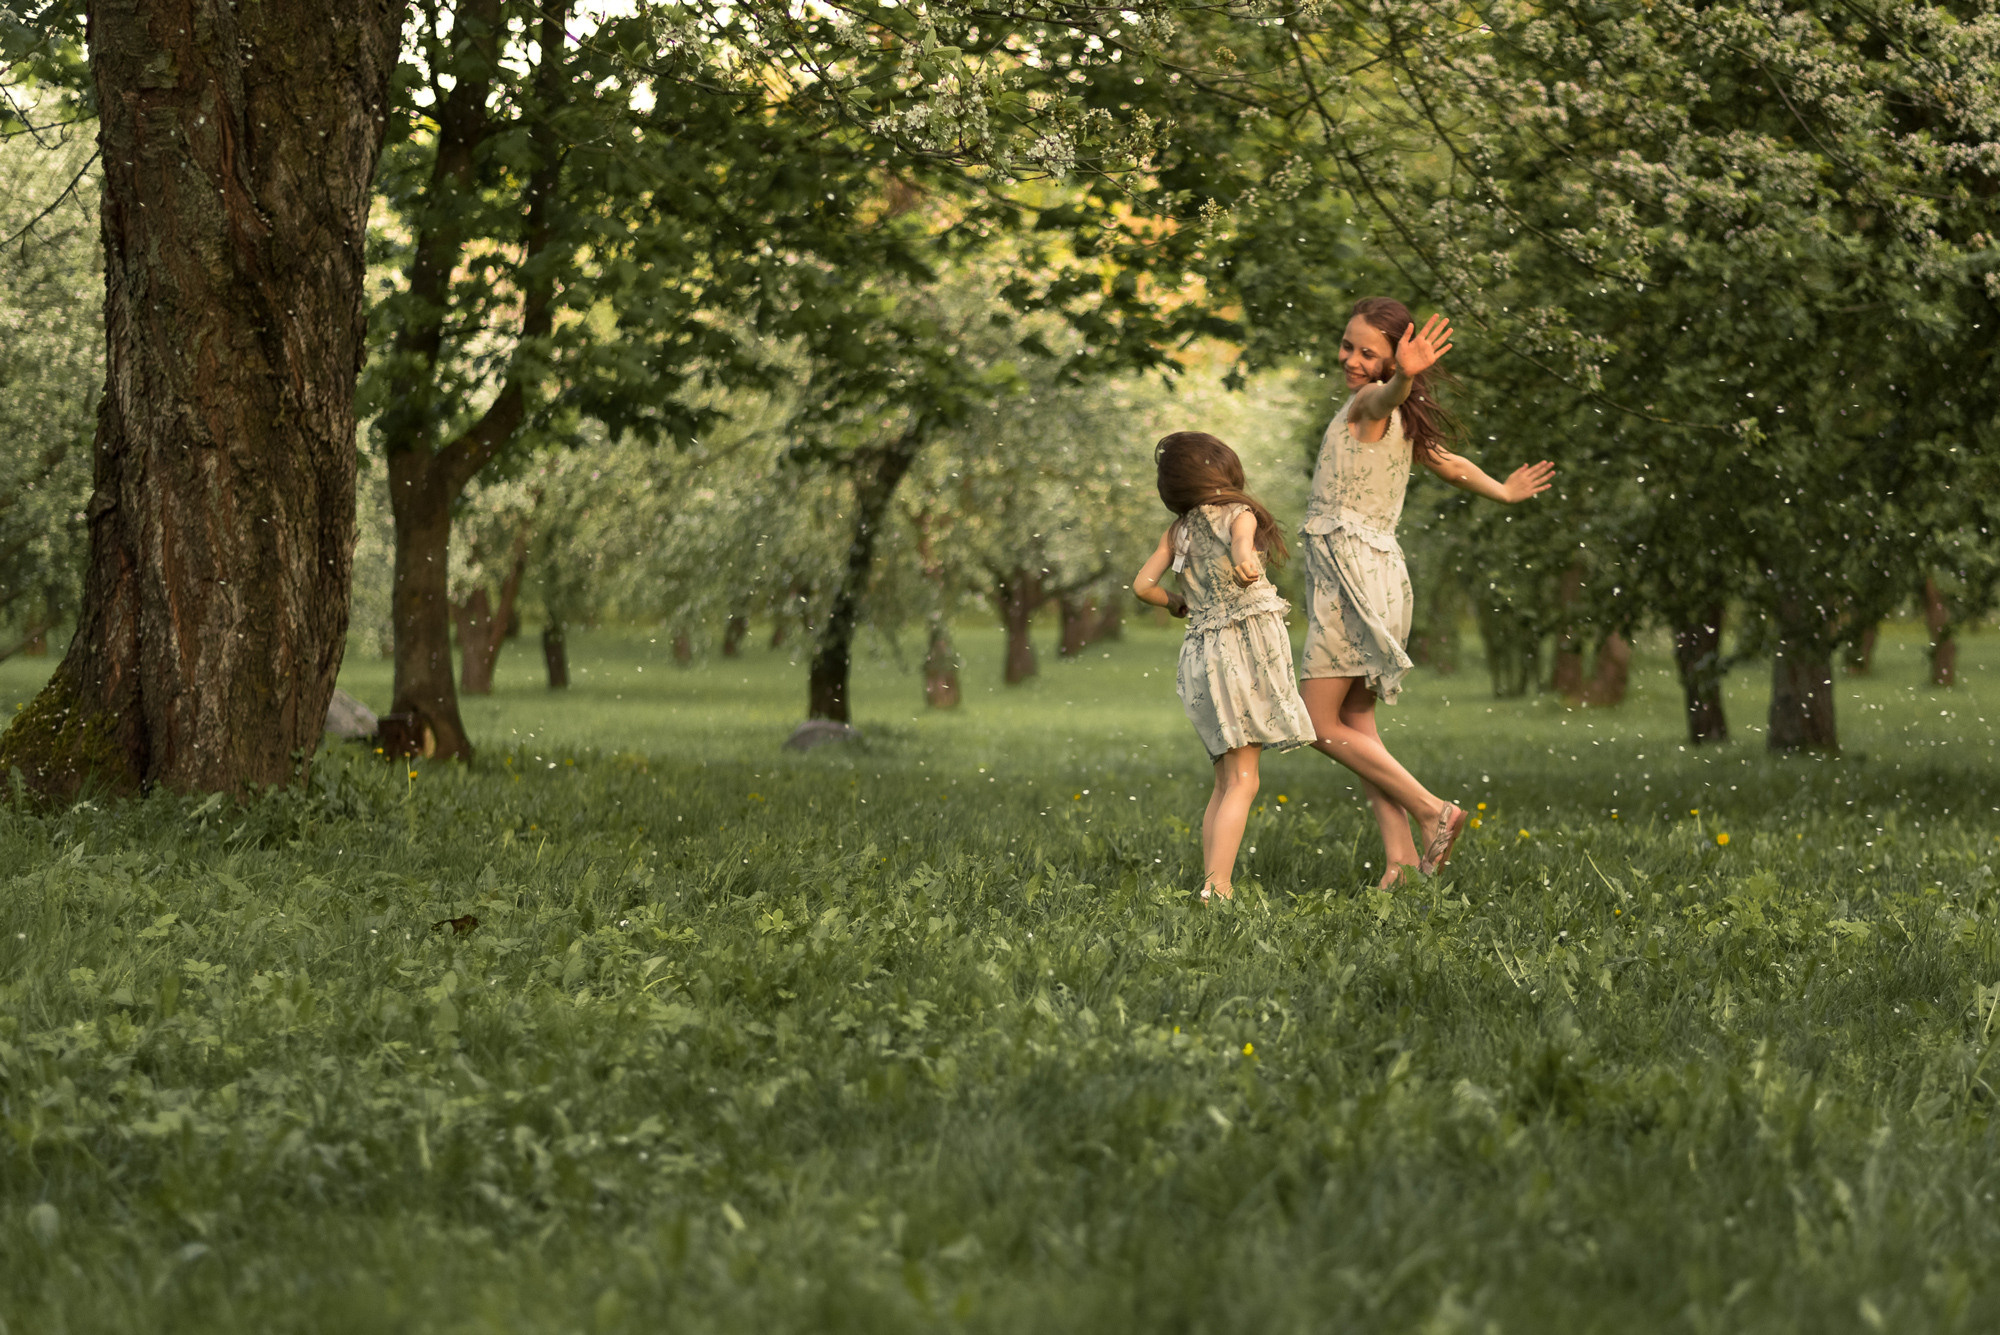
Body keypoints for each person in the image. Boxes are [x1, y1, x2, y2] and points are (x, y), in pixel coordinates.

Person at [1300, 297, 1554, 886]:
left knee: (1315, 722)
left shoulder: (1373, 403)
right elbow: (1450, 462)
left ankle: (1432, 810)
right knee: (1355, 720)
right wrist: (1504, 491)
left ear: (1393, 363)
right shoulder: (1402, 418)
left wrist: (1402, 378)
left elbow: (1382, 396)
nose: (1352, 359)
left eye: (1369, 353)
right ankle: (1402, 861)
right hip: (1379, 573)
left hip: (1352, 578)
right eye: (1348, 345)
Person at [1133, 432, 1316, 901]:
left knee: (1224, 780)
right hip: (1241, 652)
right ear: (1224, 473)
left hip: (1202, 657)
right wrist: (1245, 566)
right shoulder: (1240, 514)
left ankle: (1211, 881)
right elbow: (1241, 544)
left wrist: (1175, 602)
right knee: (1244, 779)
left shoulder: (1178, 532)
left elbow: (1141, 586)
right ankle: (1218, 887)